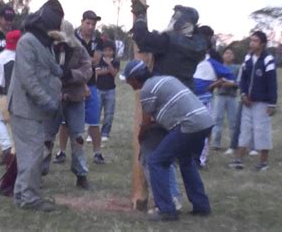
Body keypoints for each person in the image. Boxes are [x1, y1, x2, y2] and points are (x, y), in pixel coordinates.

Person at [123, 59, 214, 222]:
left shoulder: (147, 90)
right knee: (186, 162)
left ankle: (166, 210)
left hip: (189, 125)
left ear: (135, 78)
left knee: (156, 161)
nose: (129, 84)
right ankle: (202, 206)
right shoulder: (167, 79)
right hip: (205, 122)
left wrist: (140, 137)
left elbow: (145, 122)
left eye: (129, 80)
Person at [7, 0, 64, 212]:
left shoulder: (42, 42)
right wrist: (48, 102)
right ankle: (29, 198)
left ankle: (22, 194)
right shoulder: (28, 42)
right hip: (25, 108)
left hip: (33, 109)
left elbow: (51, 67)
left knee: (30, 152)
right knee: (32, 152)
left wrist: (62, 71)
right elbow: (29, 79)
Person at [42, 20, 93, 189]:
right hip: (52, 99)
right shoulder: (46, 48)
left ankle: (81, 174)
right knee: (46, 138)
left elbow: (88, 70)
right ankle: (39, 172)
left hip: (75, 98)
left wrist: (72, 74)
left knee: (78, 137)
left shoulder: (79, 49)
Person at [55, 10, 106, 164]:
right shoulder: (72, 36)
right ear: (82, 21)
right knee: (65, 122)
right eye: (88, 23)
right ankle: (62, 151)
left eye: (94, 24)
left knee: (94, 121)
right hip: (71, 86)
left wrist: (82, 61)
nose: (91, 27)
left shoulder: (98, 40)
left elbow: (94, 62)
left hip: (91, 85)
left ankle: (97, 152)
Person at [130, 0, 208, 91]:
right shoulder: (200, 44)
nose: (171, 20)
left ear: (182, 22)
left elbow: (141, 36)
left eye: (175, 17)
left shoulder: (168, 40)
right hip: (187, 92)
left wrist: (140, 16)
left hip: (165, 92)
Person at [229, 31, 277, 171]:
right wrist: (243, 94)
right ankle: (238, 159)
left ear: (262, 44)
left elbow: (272, 82)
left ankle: (263, 162)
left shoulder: (268, 60)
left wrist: (272, 103)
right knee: (244, 130)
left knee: (262, 131)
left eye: (255, 41)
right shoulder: (248, 58)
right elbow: (243, 78)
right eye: (251, 40)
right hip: (247, 102)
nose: (252, 43)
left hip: (262, 102)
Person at [0, 30, 21, 166]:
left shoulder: (0, 57)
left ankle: (7, 148)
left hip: (4, 94)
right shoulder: (24, 56)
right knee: (16, 125)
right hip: (21, 95)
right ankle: (14, 151)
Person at [211, 47, 240, 150]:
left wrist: (228, 83)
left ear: (233, 56)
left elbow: (238, 83)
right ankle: (216, 143)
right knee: (217, 119)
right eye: (226, 53)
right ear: (223, 55)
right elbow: (214, 81)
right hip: (220, 95)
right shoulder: (218, 67)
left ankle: (234, 143)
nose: (228, 55)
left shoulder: (237, 68)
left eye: (231, 53)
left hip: (232, 96)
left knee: (233, 120)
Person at [96, 40, 120, 142]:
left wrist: (109, 64)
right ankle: (93, 133)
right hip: (99, 88)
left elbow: (114, 73)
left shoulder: (116, 61)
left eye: (110, 50)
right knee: (96, 111)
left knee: (109, 113)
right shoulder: (99, 60)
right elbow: (98, 72)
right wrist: (108, 71)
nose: (107, 53)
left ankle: (105, 133)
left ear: (113, 51)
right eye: (105, 50)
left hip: (110, 90)